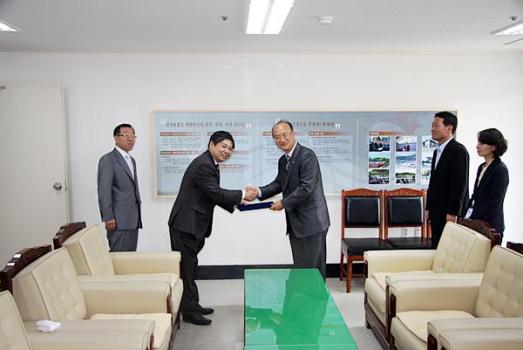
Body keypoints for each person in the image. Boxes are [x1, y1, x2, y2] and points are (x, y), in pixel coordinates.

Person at [168, 131, 255, 326]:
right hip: (186, 225)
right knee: (187, 269)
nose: (227, 151)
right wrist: (242, 194)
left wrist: (237, 203)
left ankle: (192, 304)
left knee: (190, 267)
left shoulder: (210, 164)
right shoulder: (204, 165)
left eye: (231, 149)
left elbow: (210, 195)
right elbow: (214, 192)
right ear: (211, 145)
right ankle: (189, 311)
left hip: (192, 224)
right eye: (224, 146)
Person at [250, 120, 330, 278]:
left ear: (293, 134)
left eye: (284, 135)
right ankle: (302, 302)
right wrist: (258, 191)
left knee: (313, 270)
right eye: (277, 137)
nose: (281, 140)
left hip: (312, 222)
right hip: (296, 224)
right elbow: (279, 183)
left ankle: (317, 303)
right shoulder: (283, 160)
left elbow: (306, 187)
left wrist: (283, 203)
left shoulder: (307, 156)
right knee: (302, 268)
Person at [426, 112, 469, 248]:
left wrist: (453, 212)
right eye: (432, 126)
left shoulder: (458, 151)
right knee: (436, 247)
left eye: (436, 126)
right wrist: (428, 207)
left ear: (449, 128)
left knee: (448, 250)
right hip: (436, 211)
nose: (432, 129)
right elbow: (433, 182)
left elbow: (459, 185)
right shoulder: (437, 151)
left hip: (448, 213)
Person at [98, 123, 142, 251]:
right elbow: (103, 190)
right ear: (116, 138)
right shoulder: (108, 160)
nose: (130, 139)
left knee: (129, 259)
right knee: (118, 258)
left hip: (133, 219)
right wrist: (108, 216)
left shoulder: (131, 160)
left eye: (133, 136)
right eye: (126, 135)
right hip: (118, 220)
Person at [466, 128, 509, 241]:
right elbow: (475, 195)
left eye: (482, 143)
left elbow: (495, 201)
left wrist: (475, 218)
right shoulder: (482, 167)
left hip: (491, 226)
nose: (477, 146)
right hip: (477, 223)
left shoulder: (500, 169)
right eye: (478, 142)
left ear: (494, 146)